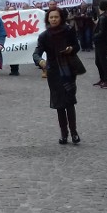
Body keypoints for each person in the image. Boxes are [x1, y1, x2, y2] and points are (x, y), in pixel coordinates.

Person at [33, 7, 81, 144]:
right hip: (54, 72)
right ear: (47, 19)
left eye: (56, 17)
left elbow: (76, 46)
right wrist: (41, 61)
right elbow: (36, 53)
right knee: (59, 104)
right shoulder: (44, 36)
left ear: (61, 18)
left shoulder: (68, 31)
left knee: (70, 102)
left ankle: (74, 132)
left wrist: (71, 49)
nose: (53, 19)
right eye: (51, 17)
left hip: (68, 70)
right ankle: (64, 133)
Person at [91, 1, 107, 88]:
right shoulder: (104, 16)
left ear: (99, 7)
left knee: (102, 61)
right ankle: (103, 78)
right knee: (98, 61)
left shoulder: (103, 17)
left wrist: (93, 36)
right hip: (101, 41)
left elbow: (102, 31)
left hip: (101, 42)